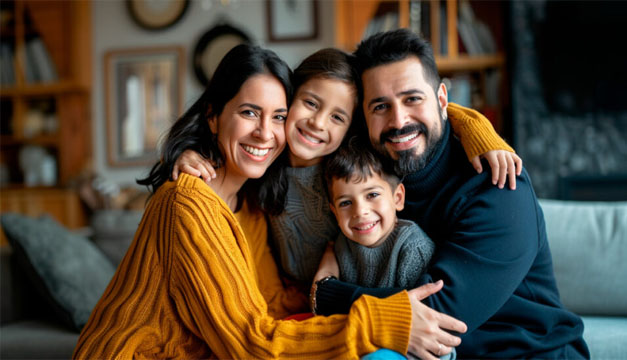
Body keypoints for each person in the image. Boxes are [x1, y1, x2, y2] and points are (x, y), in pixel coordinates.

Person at [73, 44, 469, 359]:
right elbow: (251, 342)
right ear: (213, 116)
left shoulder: (252, 199)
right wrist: (379, 318)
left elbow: (403, 117)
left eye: (278, 116)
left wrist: (475, 128)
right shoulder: (188, 202)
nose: (266, 133)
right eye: (249, 112)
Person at [313, 29, 590, 358]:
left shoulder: (499, 188)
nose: (398, 120)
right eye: (380, 107)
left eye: (412, 99)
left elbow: (436, 315)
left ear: (443, 99)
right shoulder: (369, 179)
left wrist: (328, 294)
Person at [173, 48, 521, 286]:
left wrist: (476, 127)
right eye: (309, 103)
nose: (317, 123)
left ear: (350, 126)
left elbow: (414, 118)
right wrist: (184, 155)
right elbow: (226, 147)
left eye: (337, 117)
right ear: (289, 100)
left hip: (361, 298)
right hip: (297, 305)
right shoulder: (264, 158)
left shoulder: (349, 166)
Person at [313, 136, 434, 292]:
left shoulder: (413, 249)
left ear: (397, 198)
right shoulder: (342, 245)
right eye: (345, 203)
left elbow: (420, 310)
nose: (360, 212)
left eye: (372, 195)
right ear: (335, 213)